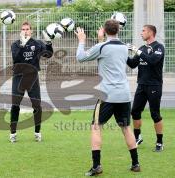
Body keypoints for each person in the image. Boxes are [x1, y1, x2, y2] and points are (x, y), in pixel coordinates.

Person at [75, 19, 140, 176]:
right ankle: (136, 164)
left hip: (108, 95)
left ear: (104, 30)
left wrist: (82, 41)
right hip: (124, 95)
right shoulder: (124, 48)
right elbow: (117, 57)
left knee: (96, 127)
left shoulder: (102, 47)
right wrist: (101, 40)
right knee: (125, 128)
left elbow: (80, 57)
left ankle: (97, 166)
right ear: (119, 30)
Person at [9, 21, 53, 143]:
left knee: (37, 106)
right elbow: (16, 59)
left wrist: (48, 43)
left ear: (31, 31)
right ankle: (13, 133)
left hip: (33, 77)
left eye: (27, 29)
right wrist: (22, 45)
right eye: (23, 29)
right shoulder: (15, 44)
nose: (25, 31)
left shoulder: (37, 43)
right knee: (15, 105)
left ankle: (37, 132)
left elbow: (48, 55)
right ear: (20, 31)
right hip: (19, 77)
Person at [127, 25, 165, 152]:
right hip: (141, 85)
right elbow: (132, 64)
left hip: (154, 85)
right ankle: (137, 137)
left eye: (143, 31)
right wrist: (123, 54)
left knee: (155, 114)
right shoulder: (142, 48)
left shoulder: (158, 47)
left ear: (151, 32)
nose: (141, 33)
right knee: (135, 112)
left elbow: (153, 60)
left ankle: (159, 142)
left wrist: (137, 51)